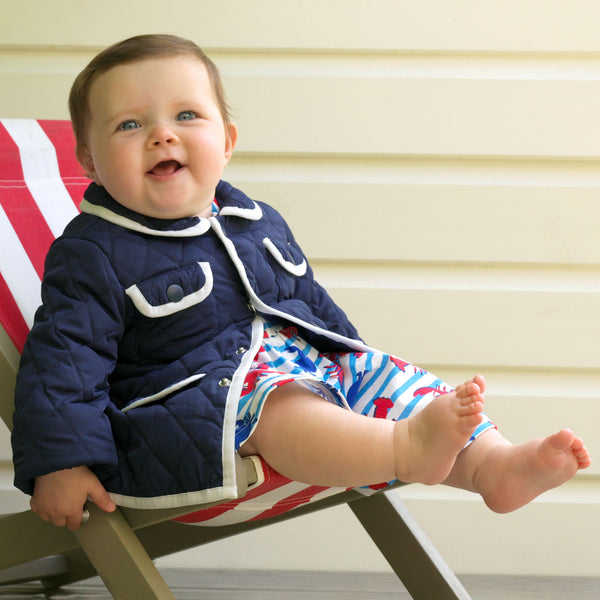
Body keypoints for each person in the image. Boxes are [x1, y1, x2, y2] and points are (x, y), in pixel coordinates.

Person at [12, 34, 590, 532]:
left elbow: (311, 306)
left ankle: (492, 467)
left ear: (228, 141)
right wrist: (61, 463)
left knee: (390, 377)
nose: (162, 135)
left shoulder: (257, 220)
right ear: (88, 159)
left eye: (186, 115)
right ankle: (404, 448)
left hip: (294, 374)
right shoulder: (91, 252)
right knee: (280, 403)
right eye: (130, 124)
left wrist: (355, 366)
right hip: (191, 412)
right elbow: (64, 359)